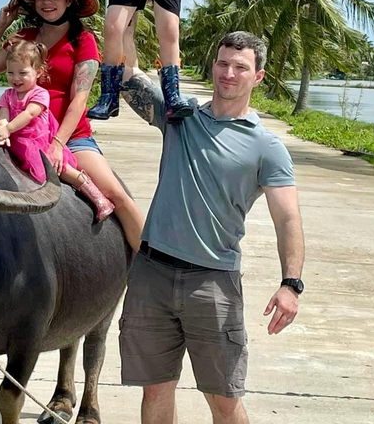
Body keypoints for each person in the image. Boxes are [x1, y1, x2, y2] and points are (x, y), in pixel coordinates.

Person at [118, 31, 306, 424]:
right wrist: (129, 17)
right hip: (152, 274)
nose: (229, 73)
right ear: (213, 66)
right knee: (154, 389)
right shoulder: (179, 116)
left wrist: (291, 284)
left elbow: (287, 218)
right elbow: (127, 74)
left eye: (241, 67)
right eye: (223, 63)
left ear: (258, 77)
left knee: (223, 397)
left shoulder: (266, 147)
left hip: (213, 282)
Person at [0, 0, 145, 251]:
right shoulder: (23, 39)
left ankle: (150, 264)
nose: (46, 2)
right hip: (23, 137)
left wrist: (57, 143)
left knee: (116, 193)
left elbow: (80, 100)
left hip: (71, 137)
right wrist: (1, 24)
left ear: (70, 1)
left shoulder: (82, 41)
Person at [0, 39, 115, 222]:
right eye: (10, 73)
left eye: (22, 73)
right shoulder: (7, 95)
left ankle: (97, 197)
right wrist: (1, 128)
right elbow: (3, 114)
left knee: (63, 169)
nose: (15, 78)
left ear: (38, 72)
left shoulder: (40, 94)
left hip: (37, 143)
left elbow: (29, 114)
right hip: (15, 142)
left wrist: (8, 128)